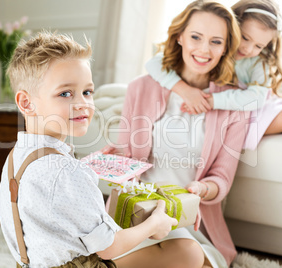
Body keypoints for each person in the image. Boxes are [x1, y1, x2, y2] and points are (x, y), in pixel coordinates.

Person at [0, 31, 178, 268]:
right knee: (186, 251)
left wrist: (86, 171)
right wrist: (154, 225)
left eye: (87, 92)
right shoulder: (66, 173)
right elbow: (108, 248)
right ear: (26, 103)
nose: (82, 103)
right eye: (65, 93)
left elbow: (59, 205)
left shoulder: (17, 156)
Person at [103, 1, 247, 267]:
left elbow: (222, 178)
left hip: (190, 222)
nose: (204, 50)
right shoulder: (141, 87)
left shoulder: (235, 104)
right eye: (195, 37)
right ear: (179, 36)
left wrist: (203, 188)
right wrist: (113, 158)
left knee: (190, 254)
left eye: (216, 41)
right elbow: (128, 151)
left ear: (226, 47)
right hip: (137, 215)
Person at [146, 0, 282, 150]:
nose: (248, 49)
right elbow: (153, 63)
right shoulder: (212, 48)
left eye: (259, 46)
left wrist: (212, 101)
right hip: (237, 109)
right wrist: (184, 90)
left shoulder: (259, 61)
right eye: (245, 38)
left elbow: (256, 99)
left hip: (257, 104)